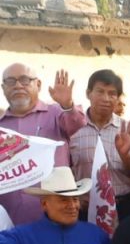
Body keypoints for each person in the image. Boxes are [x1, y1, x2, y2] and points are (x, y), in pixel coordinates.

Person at [0, 63, 85, 226]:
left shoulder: (56, 113)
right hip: (10, 222)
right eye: (10, 81)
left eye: (24, 80)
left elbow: (77, 123)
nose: (18, 85)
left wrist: (67, 105)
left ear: (38, 84)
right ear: (3, 88)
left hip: (55, 218)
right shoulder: (1, 126)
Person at [68, 69, 130, 220]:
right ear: (88, 93)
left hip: (125, 208)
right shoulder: (72, 129)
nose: (106, 98)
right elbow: (66, 169)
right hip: (85, 209)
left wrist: (125, 156)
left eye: (112, 93)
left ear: (118, 98)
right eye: (100, 91)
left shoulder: (127, 130)